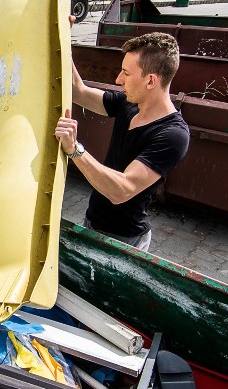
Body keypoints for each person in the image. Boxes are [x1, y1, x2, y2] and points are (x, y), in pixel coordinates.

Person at [55, 29, 189, 251]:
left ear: (151, 80)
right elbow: (78, 92)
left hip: (124, 241)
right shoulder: (130, 104)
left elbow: (121, 191)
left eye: (126, 73)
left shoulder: (172, 135)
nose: (118, 80)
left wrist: (75, 150)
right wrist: (63, 37)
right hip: (93, 222)